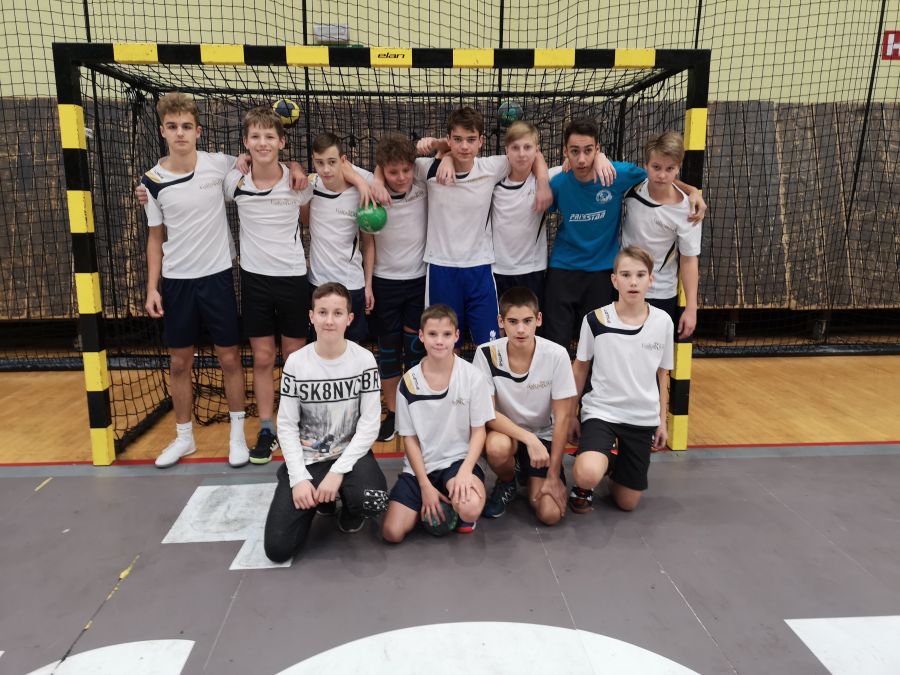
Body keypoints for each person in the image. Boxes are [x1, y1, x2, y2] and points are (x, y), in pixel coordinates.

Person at [140, 93, 252, 469]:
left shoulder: (217, 163)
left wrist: (245, 161)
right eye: (172, 126)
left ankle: (237, 436)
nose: (180, 133)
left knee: (229, 357)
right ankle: (184, 437)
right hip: (177, 281)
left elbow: (248, 161)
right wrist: (152, 287)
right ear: (162, 131)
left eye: (186, 126)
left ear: (198, 131)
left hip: (217, 276)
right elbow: (155, 237)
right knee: (179, 362)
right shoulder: (151, 181)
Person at [542, 118, 705, 348]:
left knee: (600, 346)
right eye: (575, 151)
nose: (581, 159)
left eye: (588, 150)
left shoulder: (617, 175)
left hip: (607, 273)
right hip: (567, 269)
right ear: (565, 152)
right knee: (555, 344)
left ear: (597, 149)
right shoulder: (558, 181)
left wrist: (693, 191)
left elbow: (660, 176)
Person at [263, 282, 388, 562]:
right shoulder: (297, 363)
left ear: (349, 318)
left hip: (350, 456)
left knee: (374, 500)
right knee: (278, 549)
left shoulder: (364, 360)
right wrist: (298, 478)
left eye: (337, 313)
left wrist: (337, 472)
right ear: (311, 316)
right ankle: (317, 496)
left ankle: (349, 508)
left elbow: (370, 424)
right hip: (311, 458)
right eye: (322, 312)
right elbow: (286, 425)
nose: (329, 320)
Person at [414, 107, 552, 349]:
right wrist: (440, 150)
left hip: (480, 268)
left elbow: (533, 155)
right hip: (441, 268)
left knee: (490, 347)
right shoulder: (428, 169)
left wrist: (542, 183)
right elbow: (388, 163)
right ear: (449, 140)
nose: (464, 146)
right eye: (457, 139)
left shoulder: (492, 167)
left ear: (481, 141)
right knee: (447, 346)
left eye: (471, 139)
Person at [222, 106, 314, 464]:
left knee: (294, 358)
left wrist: (296, 167)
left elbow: (306, 221)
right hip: (255, 281)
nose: (263, 143)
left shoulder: (298, 183)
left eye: (270, 136)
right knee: (262, 357)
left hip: (292, 278)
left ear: (282, 142)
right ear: (246, 142)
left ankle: (295, 424)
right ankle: (266, 428)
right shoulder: (235, 183)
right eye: (256, 137)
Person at [568, 246, 673, 514]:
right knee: (587, 474)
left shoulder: (663, 322)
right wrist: (570, 415)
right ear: (614, 280)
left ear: (651, 280)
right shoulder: (595, 319)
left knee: (627, 503)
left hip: (641, 417)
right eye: (626, 275)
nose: (633, 282)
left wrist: (662, 421)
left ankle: (612, 464)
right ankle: (588, 478)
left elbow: (662, 374)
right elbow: (580, 368)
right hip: (602, 412)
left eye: (640, 275)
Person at [381, 304, 495, 543]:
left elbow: (479, 432)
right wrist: (424, 486)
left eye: (446, 334)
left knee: (469, 508)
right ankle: (435, 497)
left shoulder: (472, 377)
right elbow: (410, 439)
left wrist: (465, 471)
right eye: (432, 334)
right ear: (421, 336)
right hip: (420, 469)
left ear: (456, 336)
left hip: (458, 463)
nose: (439, 341)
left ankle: (454, 499)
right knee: (392, 533)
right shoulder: (408, 382)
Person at [472, 287, 576, 525]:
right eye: (513, 321)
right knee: (496, 447)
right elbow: (487, 414)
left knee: (550, 514)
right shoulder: (485, 354)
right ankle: (508, 481)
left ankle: (529, 472)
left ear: (538, 319)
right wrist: (529, 440)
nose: (521, 329)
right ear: (501, 322)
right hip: (508, 434)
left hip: (544, 436)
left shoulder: (557, 355)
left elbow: (562, 419)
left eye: (527, 321)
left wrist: (553, 475)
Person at [366, 133, 428, 442]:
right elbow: (368, 244)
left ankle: (414, 408)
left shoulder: (423, 184)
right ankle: (392, 412)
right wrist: (367, 284)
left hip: (419, 280)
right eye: (392, 172)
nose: (401, 177)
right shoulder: (371, 193)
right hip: (385, 282)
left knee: (415, 348)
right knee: (389, 350)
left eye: (406, 170)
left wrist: (380, 174)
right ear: (383, 169)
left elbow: (443, 154)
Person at [621, 131, 701, 339]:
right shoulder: (632, 188)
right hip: (623, 287)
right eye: (656, 167)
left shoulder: (689, 210)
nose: (662, 175)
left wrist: (691, 308)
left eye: (669, 169)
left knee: (654, 355)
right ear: (646, 166)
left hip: (660, 293)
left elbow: (689, 260)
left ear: (678, 168)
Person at [301, 132, 377, 344]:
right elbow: (305, 221)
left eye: (332, 162)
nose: (326, 169)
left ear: (343, 161)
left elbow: (368, 243)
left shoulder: (362, 190)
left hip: (351, 285)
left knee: (352, 348)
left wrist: (368, 285)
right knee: (320, 349)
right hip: (318, 284)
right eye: (320, 162)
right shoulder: (310, 186)